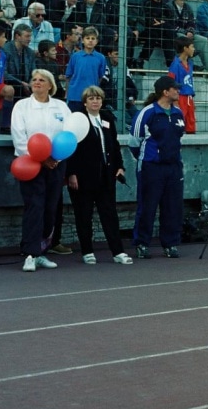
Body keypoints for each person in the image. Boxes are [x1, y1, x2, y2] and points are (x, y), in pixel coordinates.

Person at [10, 69, 72, 271]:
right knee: (34, 207)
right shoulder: (22, 106)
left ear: (50, 85)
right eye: (34, 79)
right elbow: (19, 136)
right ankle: (30, 253)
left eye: (41, 80)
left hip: (56, 164)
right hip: (30, 164)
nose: (36, 82)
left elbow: (69, 134)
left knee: (50, 208)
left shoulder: (61, 107)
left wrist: (56, 158)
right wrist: (41, 157)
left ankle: (42, 251)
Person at [66, 86, 133, 266]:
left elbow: (115, 145)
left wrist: (119, 167)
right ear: (85, 102)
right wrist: (71, 173)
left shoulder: (107, 118)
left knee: (109, 214)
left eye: (98, 98)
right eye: (91, 98)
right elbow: (70, 147)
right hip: (83, 176)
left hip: (106, 176)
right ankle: (87, 251)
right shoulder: (77, 119)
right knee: (84, 215)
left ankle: (117, 251)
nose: (95, 101)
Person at [130, 74, 185, 259]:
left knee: (173, 206)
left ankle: (170, 244)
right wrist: (149, 159)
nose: (178, 91)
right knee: (147, 206)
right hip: (151, 167)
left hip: (174, 166)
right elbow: (134, 141)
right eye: (175, 88)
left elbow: (178, 138)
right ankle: (142, 243)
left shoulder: (178, 112)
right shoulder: (147, 112)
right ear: (165, 91)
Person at [64, 26, 107, 112]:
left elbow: (100, 76)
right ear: (83, 40)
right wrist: (67, 93)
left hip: (91, 97)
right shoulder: (75, 56)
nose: (90, 40)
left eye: (93, 38)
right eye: (87, 38)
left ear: (96, 41)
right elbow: (68, 76)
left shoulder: (101, 58)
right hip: (75, 96)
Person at [168, 35, 196, 133]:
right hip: (180, 98)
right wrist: (175, 100)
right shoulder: (175, 65)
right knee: (179, 123)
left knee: (191, 125)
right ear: (185, 48)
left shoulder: (190, 63)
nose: (194, 49)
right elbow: (171, 82)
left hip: (189, 97)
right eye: (192, 46)